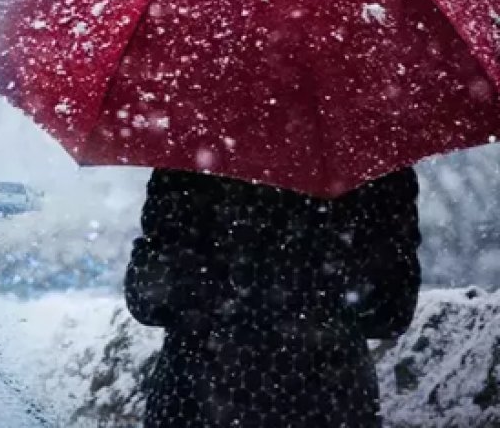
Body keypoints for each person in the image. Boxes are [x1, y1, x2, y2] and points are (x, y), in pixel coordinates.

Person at [124, 168, 421, 427]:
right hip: (329, 403)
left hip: (197, 400)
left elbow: (149, 301)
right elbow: (391, 312)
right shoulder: (367, 155)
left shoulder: (192, 150)